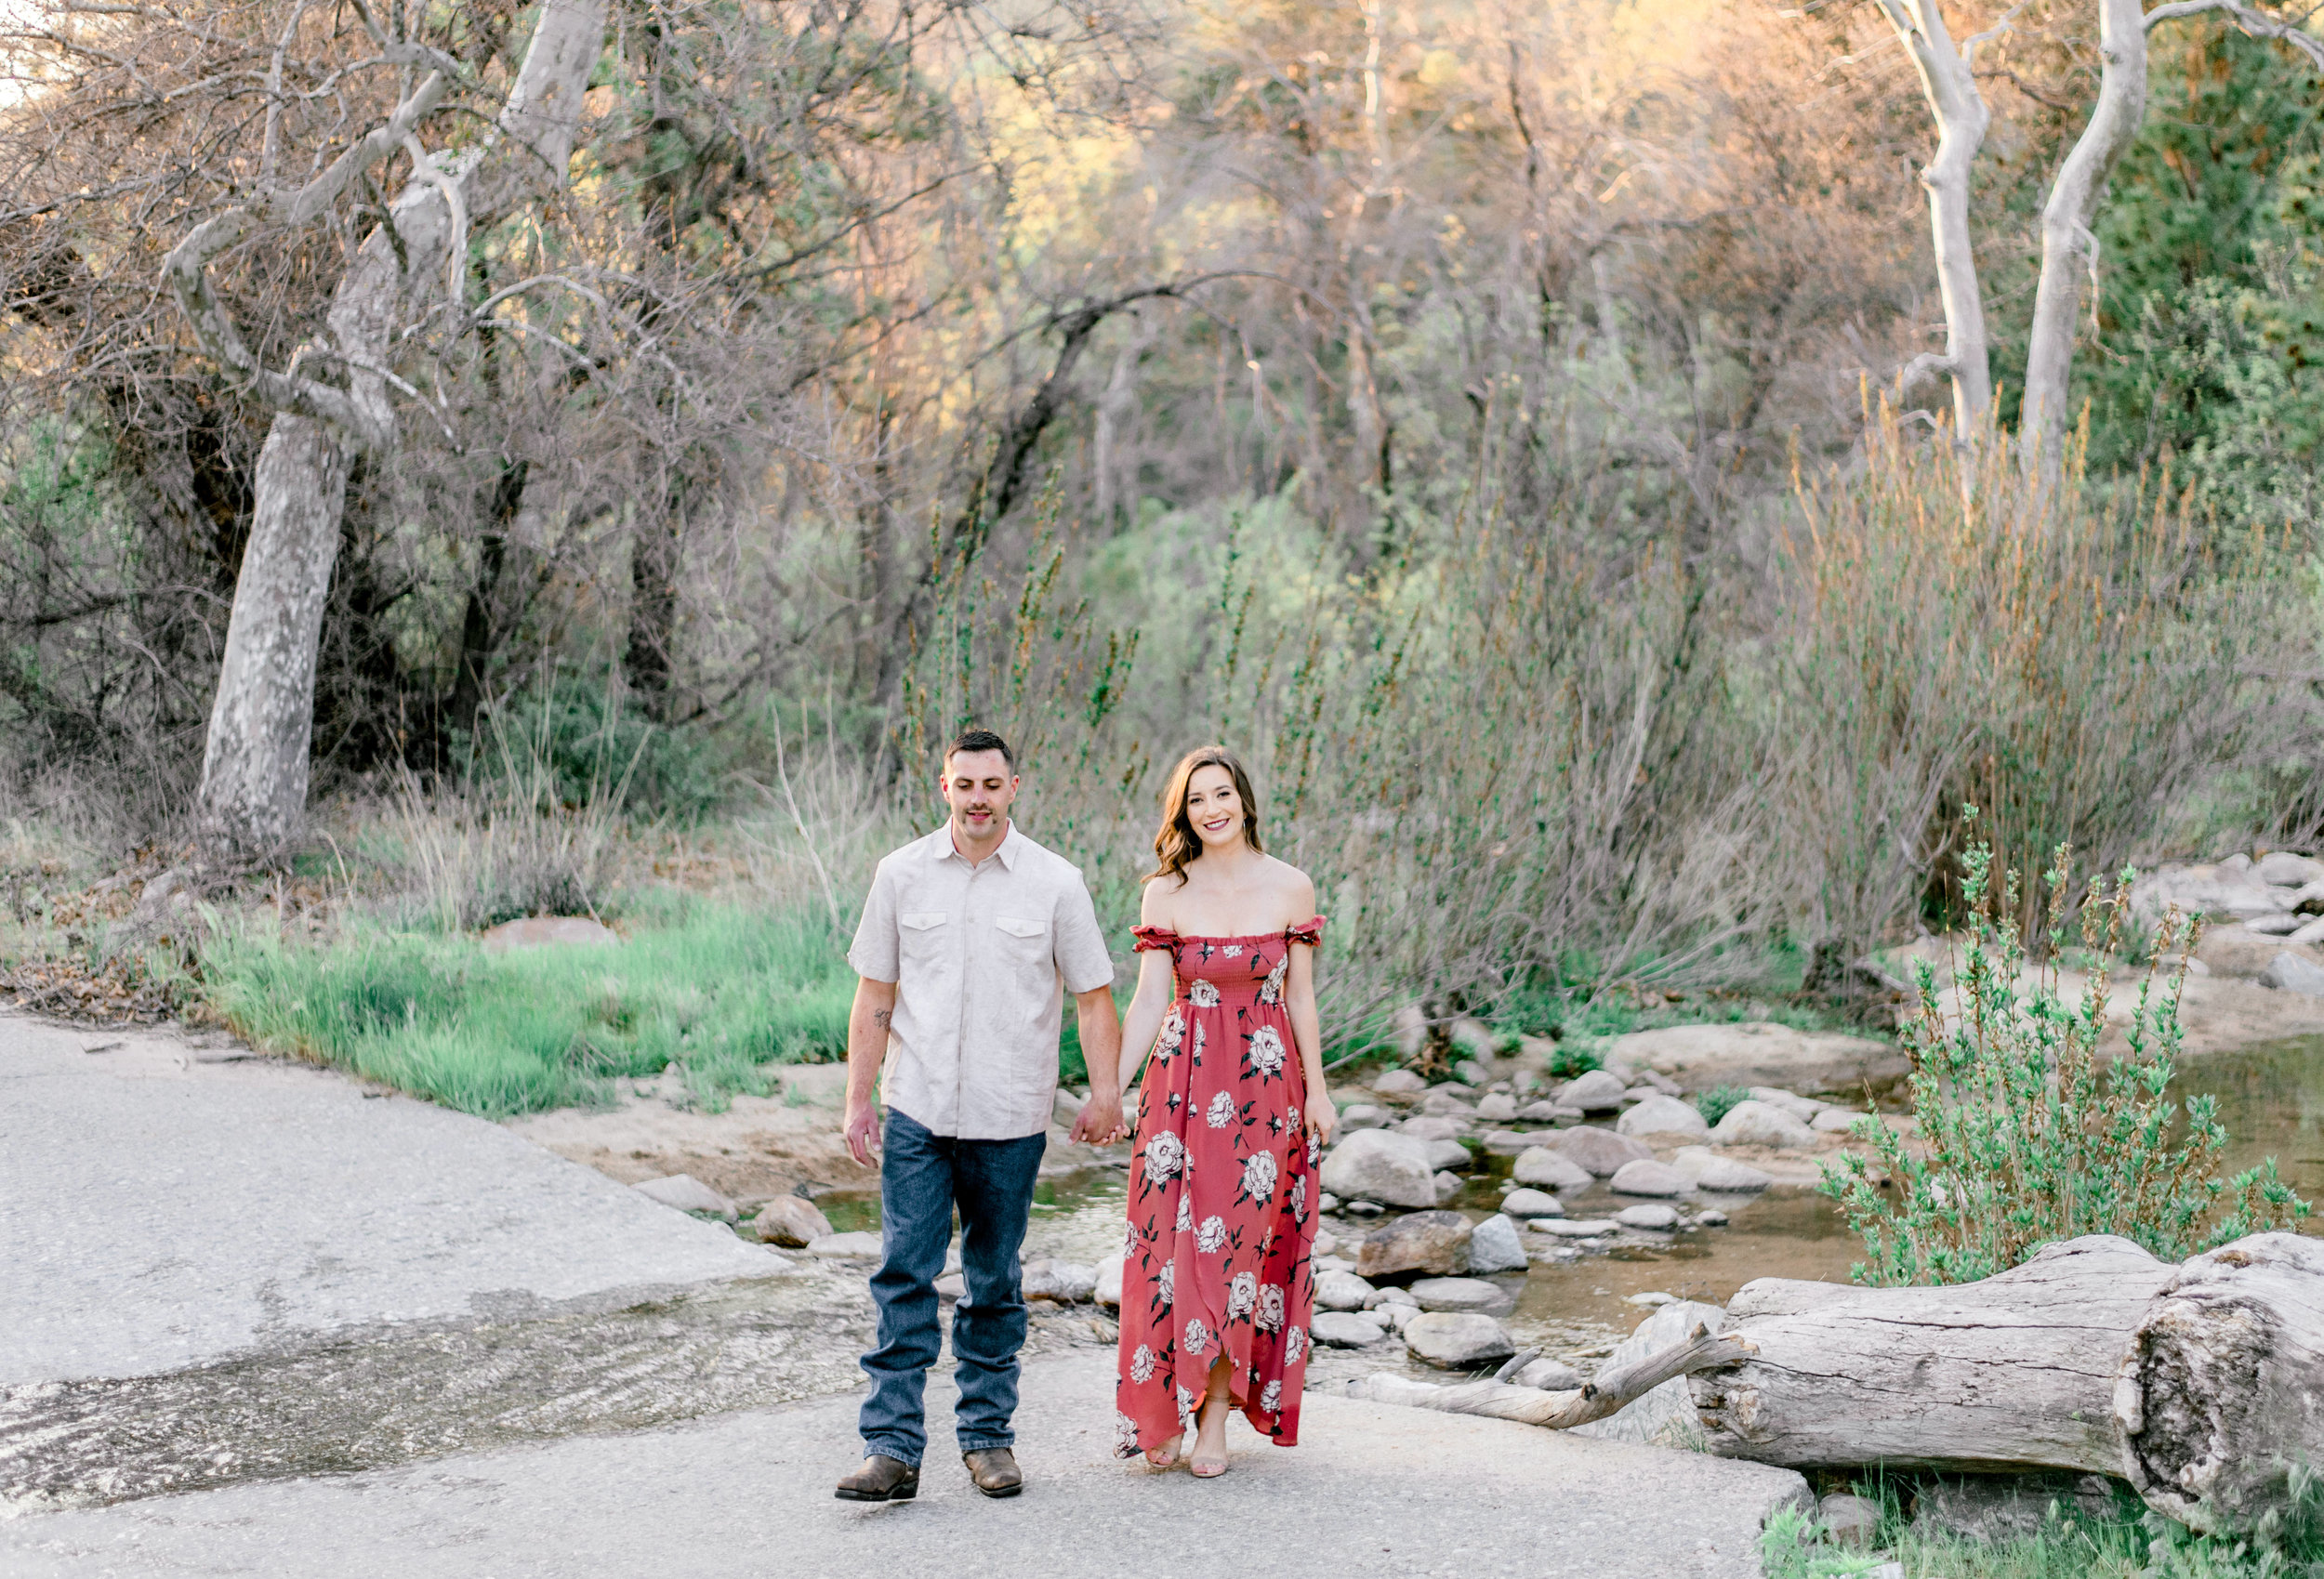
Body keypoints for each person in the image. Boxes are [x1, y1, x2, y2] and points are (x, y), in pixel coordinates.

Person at [835, 728, 1125, 1503]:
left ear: (1014, 788)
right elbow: (874, 997)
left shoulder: (1056, 883)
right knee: (905, 1275)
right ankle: (891, 1448)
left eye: (991, 786)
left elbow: (1095, 998)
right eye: (965, 785)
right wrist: (858, 1100)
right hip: (918, 1113)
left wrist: (1106, 1094)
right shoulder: (899, 876)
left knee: (994, 1281)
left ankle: (988, 1439)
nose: (978, 800)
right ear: (945, 788)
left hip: (1010, 1118)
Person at [1110, 743, 1334, 1478]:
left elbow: (1300, 997)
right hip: (1180, 1086)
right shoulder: (1165, 893)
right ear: (1184, 811)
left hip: (1265, 1095)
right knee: (1168, 1252)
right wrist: (1109, 1085)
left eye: (1222, 793)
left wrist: (1320, 1091)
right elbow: (1149, 999)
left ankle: (1213, 1419)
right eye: (1197, 798)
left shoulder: (1291, 887)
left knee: (1237, 1255)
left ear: (1244, 798)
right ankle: (1159, 1410)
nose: (1212, 808)